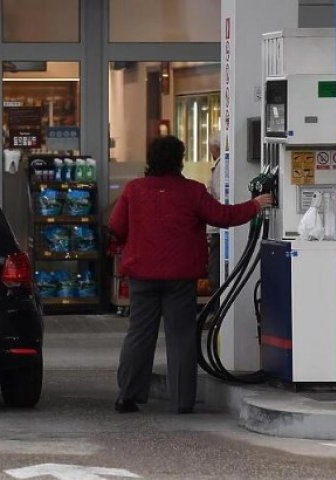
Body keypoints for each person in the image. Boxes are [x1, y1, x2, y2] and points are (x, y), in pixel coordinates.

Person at [108, 135, 272, 414]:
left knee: (138, 334)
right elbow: (223, 216)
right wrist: (256, 204)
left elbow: (116, 227)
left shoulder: (134, 190)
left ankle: (128, 395)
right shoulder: (191, 191)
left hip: (141, 275)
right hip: (180, 277)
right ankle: (182, 400)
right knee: (181, 336)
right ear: (179, 161)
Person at [207, 134, 221, 302]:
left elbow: (217, 196)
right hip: (218, 228)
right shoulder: (220, 166)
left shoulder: (220, 167)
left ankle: (217, 311)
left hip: (218, 229)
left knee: (215, 272)